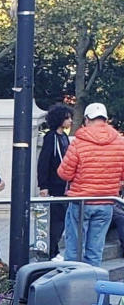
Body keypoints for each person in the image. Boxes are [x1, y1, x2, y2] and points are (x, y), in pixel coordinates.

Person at [57, 102, 124, 267]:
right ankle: (91, 287)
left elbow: (64, 173)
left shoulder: (79, 142)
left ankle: (72, 285)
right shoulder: (120, 142)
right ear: (106, 120)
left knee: (74, 251)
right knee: (95, 252)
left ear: (87, 119)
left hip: (81, 201)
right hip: (107, 201)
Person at [36, 103, 73, 259]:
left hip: (63, 184)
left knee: (60, 219)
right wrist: (43, 185)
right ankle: (52, 251)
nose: (70, 121)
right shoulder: (51, 137)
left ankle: (54, 249)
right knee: (55, 220)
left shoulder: (64, 137)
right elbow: (43, 162)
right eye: (67, 118)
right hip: (53, 184)